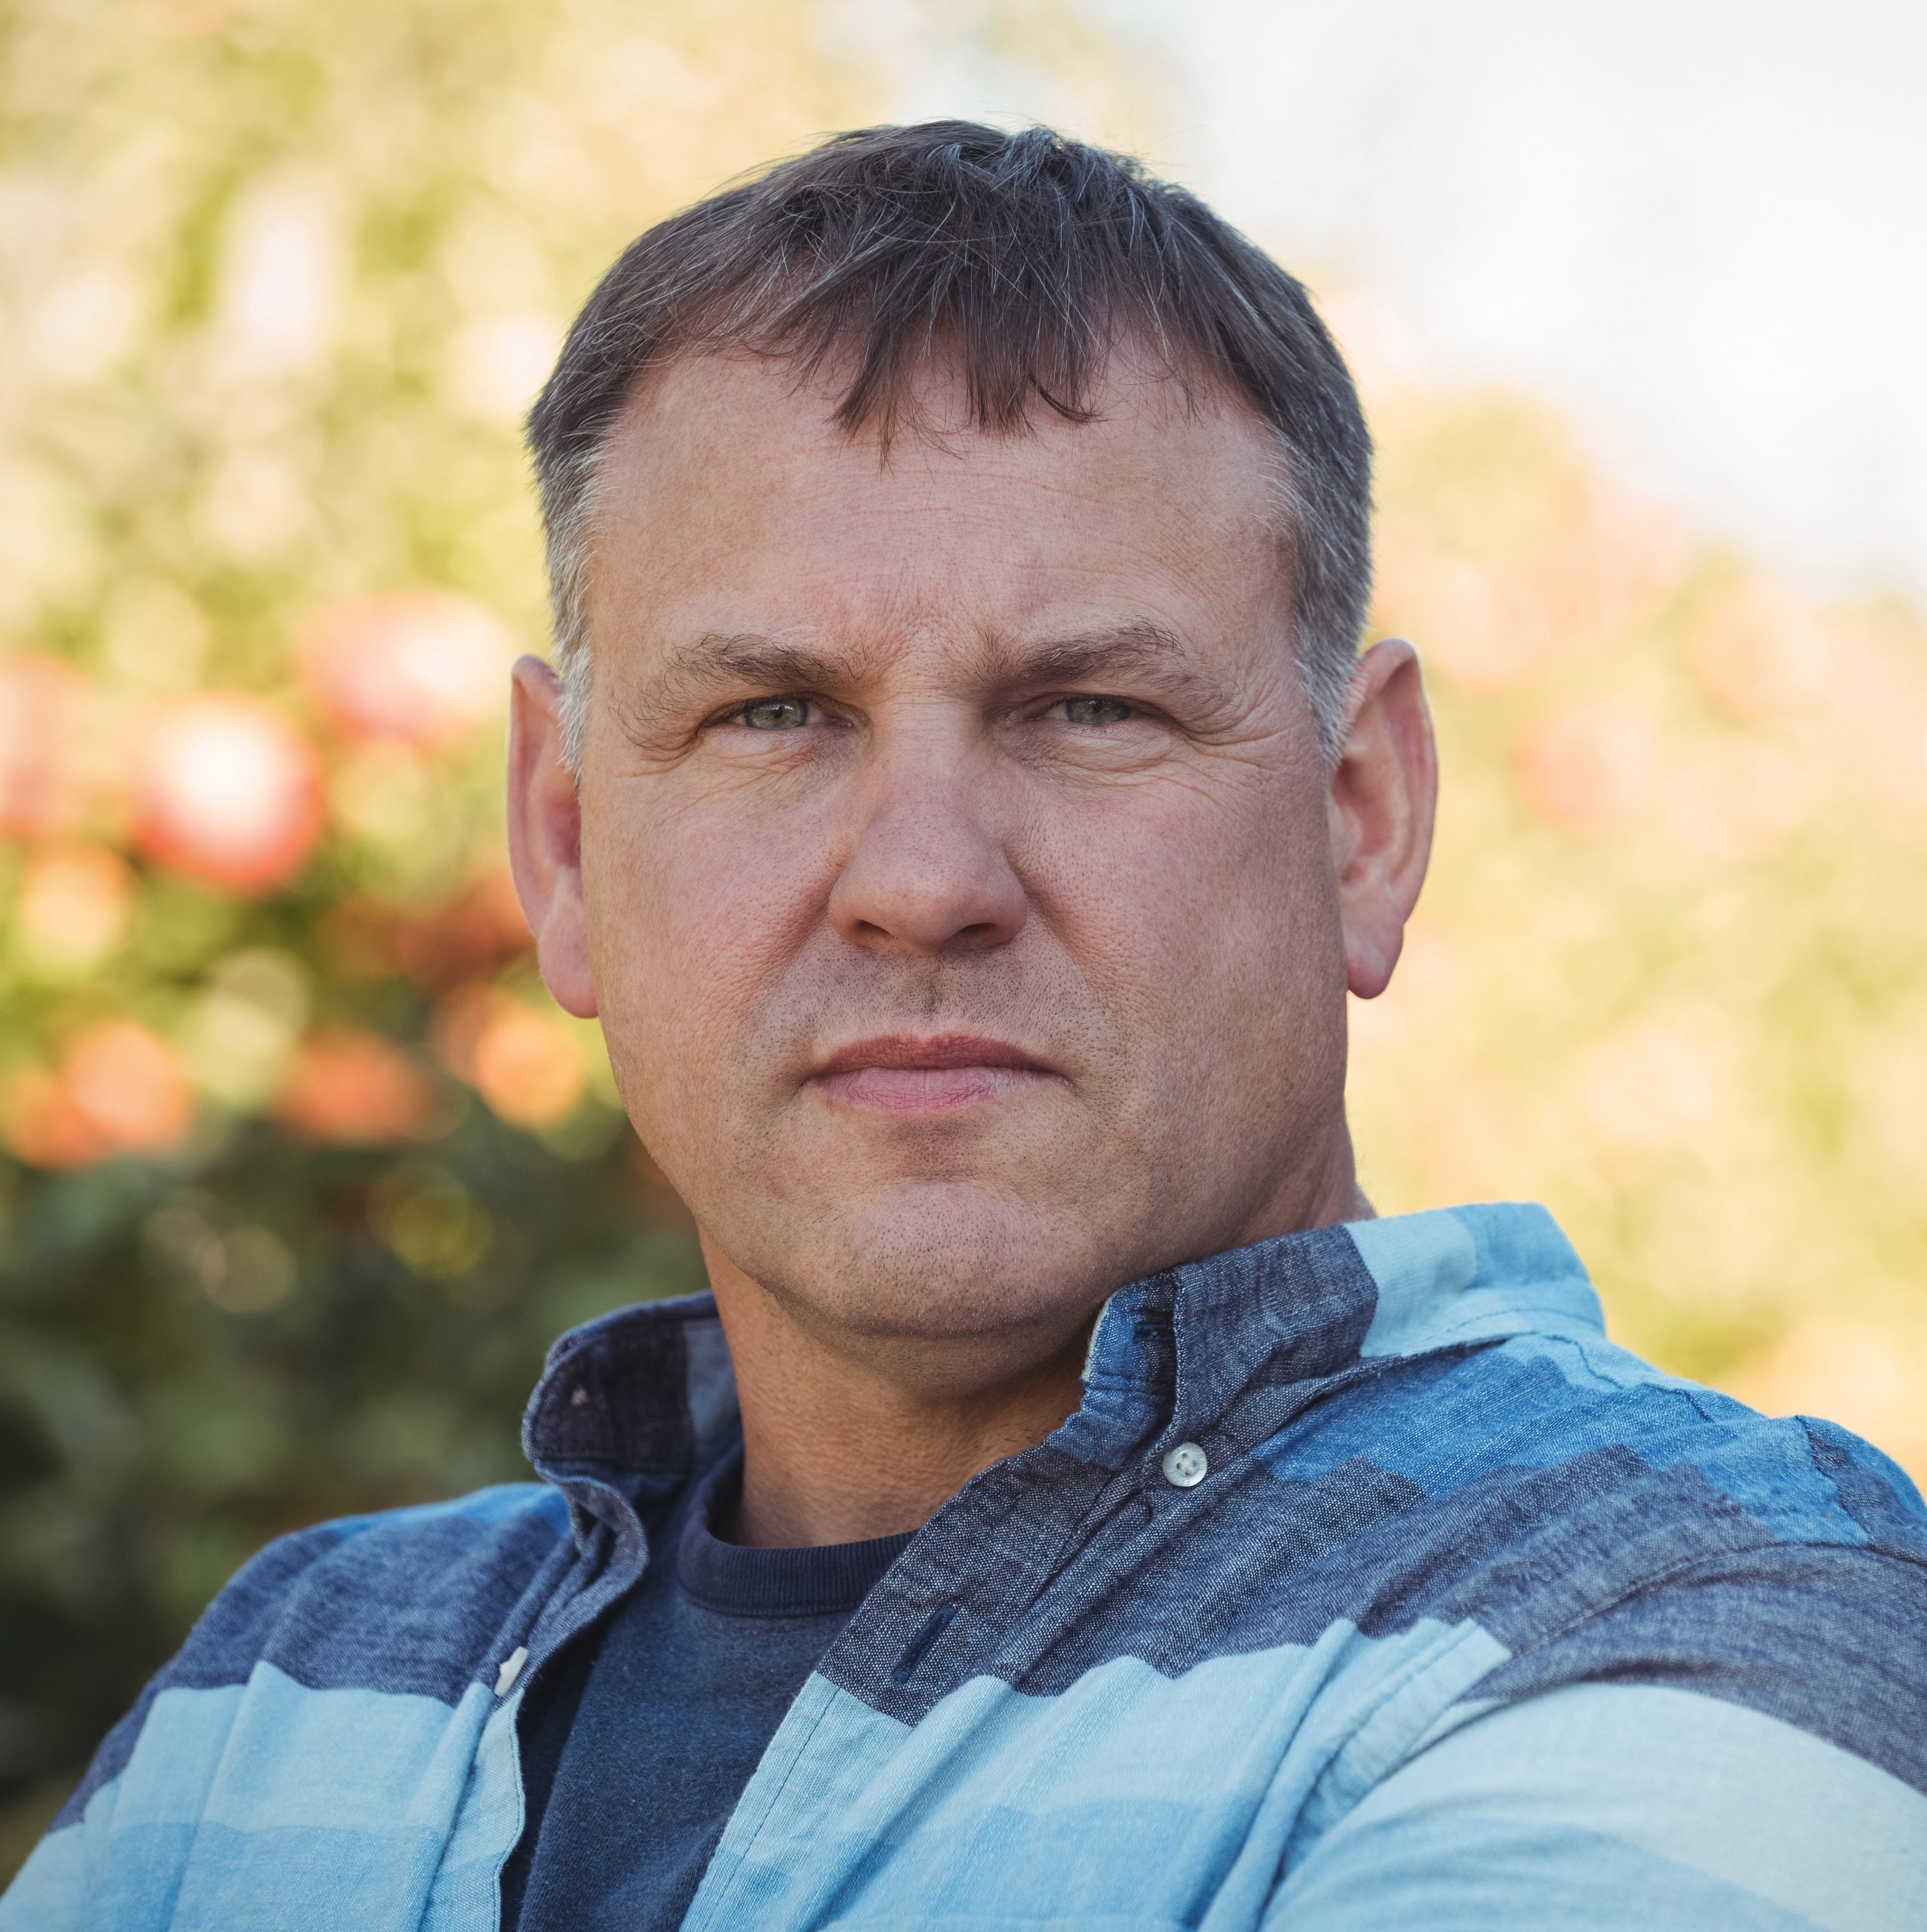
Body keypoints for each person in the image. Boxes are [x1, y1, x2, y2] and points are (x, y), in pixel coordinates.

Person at [6, 119, 1925, 1932]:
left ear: (1360, 817)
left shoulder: (1684, 1609)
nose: (919, 878)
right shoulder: (286, 1687)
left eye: (1088, 707)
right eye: (769, 712)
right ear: (566, 838)